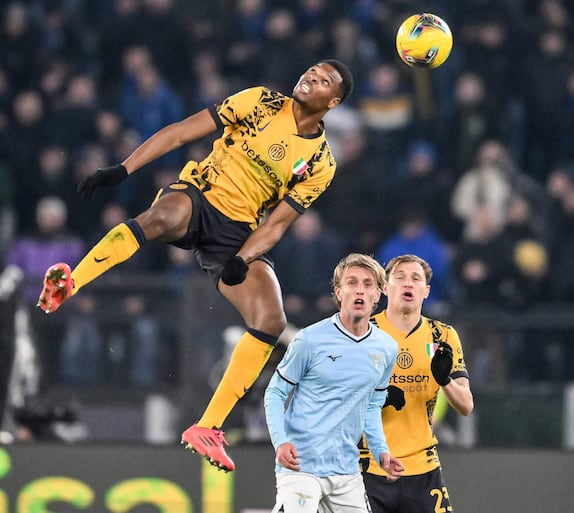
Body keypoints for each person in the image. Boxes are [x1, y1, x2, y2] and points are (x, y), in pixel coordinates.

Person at [35, 59, 354, 472]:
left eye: (323, 79)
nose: (310, 77)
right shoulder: (259, 101)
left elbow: (277, 224)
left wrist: (243, 258)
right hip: (200, 193)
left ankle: (207, 427)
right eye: (310, 71)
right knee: (160, 218)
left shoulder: (321, 162)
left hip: (238, 232)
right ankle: (69, 283)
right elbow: (182, 131)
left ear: (333, 101)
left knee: (272, 320)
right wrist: (123, 168)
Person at [263, 253, 404, 513]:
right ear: (339, 292)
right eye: (352, 283)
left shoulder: (386, 348)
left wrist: (381, 452)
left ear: (378, 294)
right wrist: (280, 441)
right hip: (301, 466)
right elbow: (275, 393)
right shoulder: (309, 340)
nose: (359, 290)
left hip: (346, 471)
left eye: (367, 284)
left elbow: (371, 407)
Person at [361, 254, 474, 513]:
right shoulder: (364, 332)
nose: (407, 284)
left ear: (426, 291)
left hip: (423, 469)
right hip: (370, 468)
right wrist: (380, 396)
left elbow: (466, 405)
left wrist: (444, 379)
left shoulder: (442, 336)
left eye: (415, 279)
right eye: (399, 278)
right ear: (385, 288)